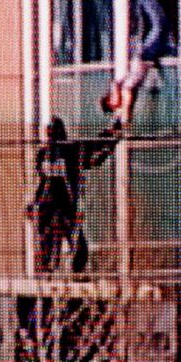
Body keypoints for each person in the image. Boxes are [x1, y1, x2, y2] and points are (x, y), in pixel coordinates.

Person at [28, 117, 116, 274]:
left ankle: (59, 285)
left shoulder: (50, 153)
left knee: (59, 254)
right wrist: (110, 136)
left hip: (54, 210)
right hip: (58, 210)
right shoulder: (61, 152)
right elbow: (94, 151)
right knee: (72, 251)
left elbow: (94, 152)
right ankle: (59, 286)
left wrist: (110, 136)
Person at [102, 0, 172, 126]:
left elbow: (121, 90)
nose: (115, 100)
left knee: (160, 23)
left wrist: (122, 114)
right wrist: (122, 115)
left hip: (146, 55)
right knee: (162, 23)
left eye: (112, 100)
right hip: (148, 57)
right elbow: (125, 99)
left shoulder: (124, 87)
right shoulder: (125, 89)